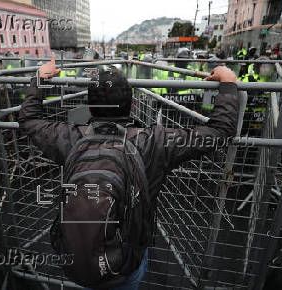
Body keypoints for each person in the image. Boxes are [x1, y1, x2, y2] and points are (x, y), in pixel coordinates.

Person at [19, 54, 240, 289]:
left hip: (79, 256)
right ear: (132, 105)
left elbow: (29, 119)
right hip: (127, 259)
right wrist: (228, 83)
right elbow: (219, 132)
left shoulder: (70, 138)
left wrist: (40, 79)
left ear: (90, 109)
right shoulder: (154, 142)